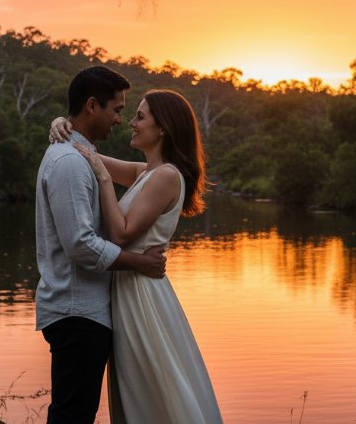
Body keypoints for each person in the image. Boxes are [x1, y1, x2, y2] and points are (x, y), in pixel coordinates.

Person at [49, 89, 224, 424]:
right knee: (139, 389)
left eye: (140, 116)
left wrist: (102, 181)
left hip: (143, 298)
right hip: (129, 292)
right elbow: (88, 153)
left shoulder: (167, 176)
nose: (131, 122)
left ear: (163, 128)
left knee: (153, 388)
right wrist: (62, 125)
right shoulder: (146, 172)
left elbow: (121, 234)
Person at [35, 66, 169, 424]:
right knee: (72, 415)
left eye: (130, 113)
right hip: (76, 309)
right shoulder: (69, 164)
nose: (120, 119)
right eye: (118, 109)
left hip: (85, 310)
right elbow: (81, 245)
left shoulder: (79, 157)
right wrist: (140, 262)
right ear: (92, 106)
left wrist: (63, 127)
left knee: (75, 412)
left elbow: (150, 173)